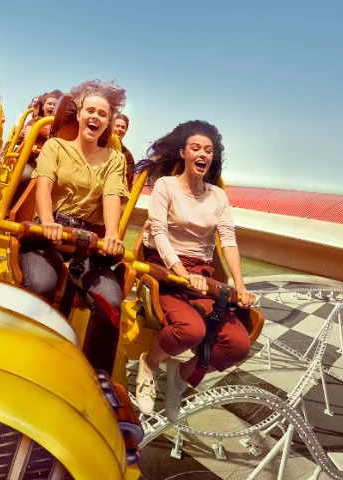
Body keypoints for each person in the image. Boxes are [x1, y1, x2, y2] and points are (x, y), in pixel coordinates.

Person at [132, 120, 259, 413]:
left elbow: (228, 240)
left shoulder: (218, 196)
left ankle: (182, 377)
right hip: (167, 270)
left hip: (202, 272)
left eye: (208, 150)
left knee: (238, 345)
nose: (202, 154)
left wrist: (240, 286)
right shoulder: (165, 186)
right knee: (191, 330)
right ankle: (149, 365)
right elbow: (159, 231)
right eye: (196, 148)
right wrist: (179, 272)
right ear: (183, 154)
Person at [17, 80, 130, 371]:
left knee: (111, 304)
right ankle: (26, 356)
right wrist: (49, 223)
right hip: (51, 230)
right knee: (42, 285)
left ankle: (96, 378)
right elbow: (43, 187)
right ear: (79, 115)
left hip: (87, 238)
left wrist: (114, 235)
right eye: (90, 111)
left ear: (108, 122)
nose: (95, 117)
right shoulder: (56, 147)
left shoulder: (114, 160)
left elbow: (111, 199)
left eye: (102, 114)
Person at [112, 114, 138, 187]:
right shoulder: (99, 144)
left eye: (123, 127)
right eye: (117, 125)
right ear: (110, 126)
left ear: (126, 131)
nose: (120, 129)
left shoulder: (128, 156)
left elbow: (127, 181)